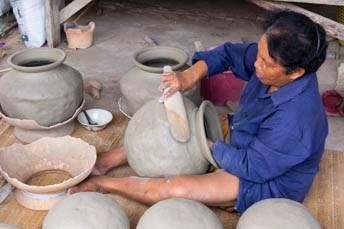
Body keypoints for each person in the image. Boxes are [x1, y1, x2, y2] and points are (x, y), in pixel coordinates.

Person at [70, 10, 329, 213]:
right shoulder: (272, 60)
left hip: (265, 180)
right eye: (259, 55)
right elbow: (229, 54)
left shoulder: (296, 120)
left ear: (295, 72)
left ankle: (104, 184)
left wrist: (205, 145)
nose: (256, 64)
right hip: (245, 143)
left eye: (266, 63)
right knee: (159, 135)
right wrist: (187, 78)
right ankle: (103, 164)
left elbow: (252, 167)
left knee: (177, 188)